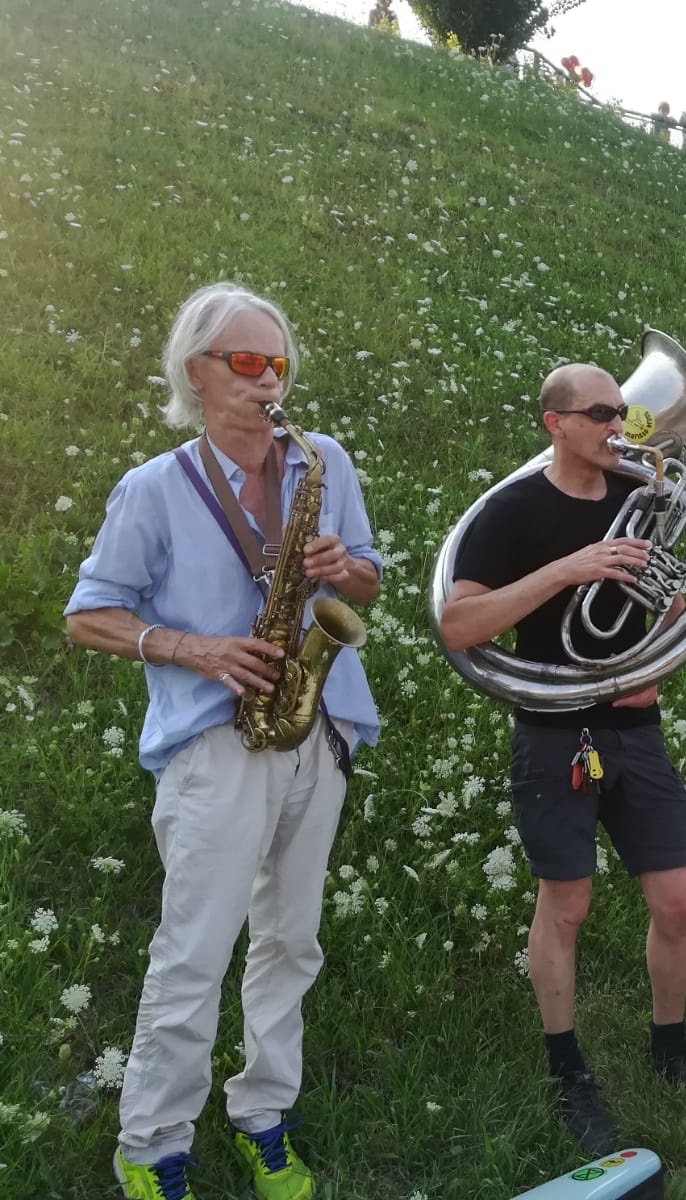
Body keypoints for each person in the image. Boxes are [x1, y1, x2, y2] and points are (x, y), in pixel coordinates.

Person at [65, 282, 383, 1200]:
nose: (268, 379)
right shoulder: (153, 489)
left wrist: (344, 568)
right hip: (217, 741)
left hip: (315, 725)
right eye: (247, 362)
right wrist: (192, 648)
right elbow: (89, 615)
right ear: (196, 372)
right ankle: (153, 1142)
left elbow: (366, 579)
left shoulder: (323, 461)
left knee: (293, 940)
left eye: (278, 363)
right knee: (196, 948)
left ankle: (263, 1113)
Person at [438, 363, 686, 1159]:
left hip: (636, 730)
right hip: (552, 731)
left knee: (680, 900)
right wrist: (569, 570)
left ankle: (670, 1045)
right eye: (602, 412)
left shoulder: (645, 501)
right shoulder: (511, 511)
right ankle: (567, 1067)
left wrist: (661, 648)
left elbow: (675, 609)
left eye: (624, 410)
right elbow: (459, 626)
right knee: (566, 905)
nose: (620, 424)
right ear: (555, 423)